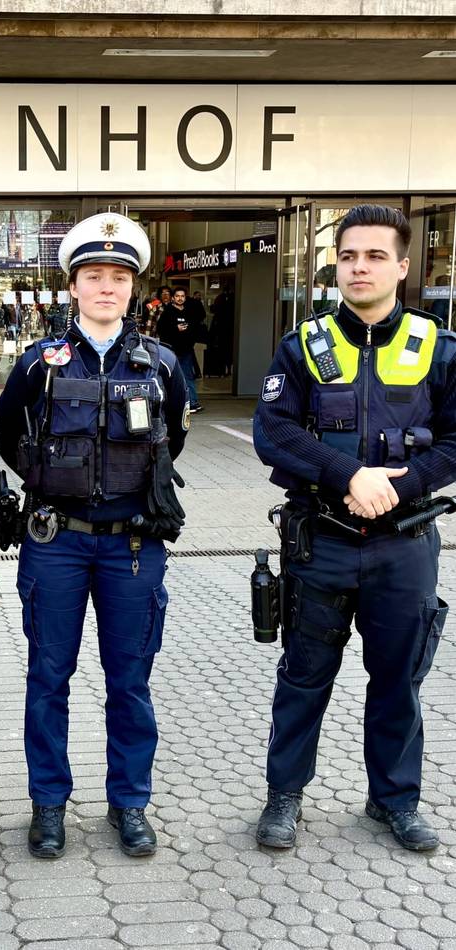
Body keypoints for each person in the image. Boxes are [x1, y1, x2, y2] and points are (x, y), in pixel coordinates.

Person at [253, 204, 456, 852]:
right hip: (324, 542)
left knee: (400, 679)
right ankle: (284, 797)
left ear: (401, 265)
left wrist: (400, 484)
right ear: (334, 265)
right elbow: (273, 432)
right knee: (303, 675)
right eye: (347, 256)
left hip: (405, 547)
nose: (359, 266)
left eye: (374, 255)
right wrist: (348, 475)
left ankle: (393, 800)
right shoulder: (303, 345)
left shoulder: (437, 348)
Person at [0, 213, 189, 860]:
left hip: (134, 545)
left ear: (133, 288)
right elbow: (9, 441)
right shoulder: (38, 365)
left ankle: (129, 804)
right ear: (72, 286)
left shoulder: (160, 364)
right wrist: (61, 486)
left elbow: (175, 441)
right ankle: (49, 805)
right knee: (48, 677)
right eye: (93, 276)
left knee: (130, 681)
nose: (106, 287)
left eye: (118, 277)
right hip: (57, 542)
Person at [158, 287, 205, 413]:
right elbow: (161, 330)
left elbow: (196, 328)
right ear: (173, 298)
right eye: (177, 296)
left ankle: (192, 402)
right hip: (171, 351)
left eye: (182, 296)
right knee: (171, 377)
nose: (180, 298)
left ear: (185, 297)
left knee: (188, 376)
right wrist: (175, 328)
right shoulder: (168, 312)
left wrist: (190, 337)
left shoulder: (189, 312)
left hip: (186, 350)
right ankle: (171, 403)